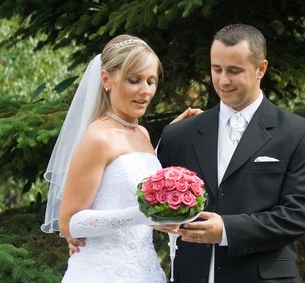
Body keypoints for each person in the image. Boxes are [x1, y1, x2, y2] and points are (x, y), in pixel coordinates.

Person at [154, 24, 305, 282]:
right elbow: (146, 198)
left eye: (234, 71)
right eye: (216, 69)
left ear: (261, 69)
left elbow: (297, 216)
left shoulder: (299, 133)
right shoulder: (180, 134)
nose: (223, 80)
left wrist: (227, 230)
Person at [41, 34, 198, 282]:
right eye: (134, 80)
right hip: (102, 272)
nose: (145, 91)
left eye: (151, 81)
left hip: (145, 269)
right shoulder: (98, 137)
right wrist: (144, 215)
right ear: (106, 79)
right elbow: (69, 222)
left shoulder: (142, 133)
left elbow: (127, 181)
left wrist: (173, 132)